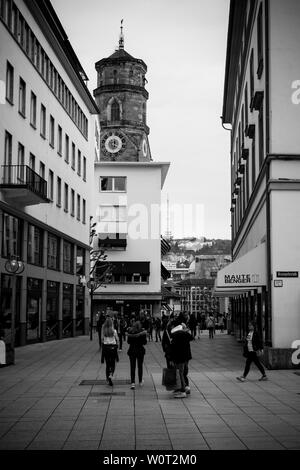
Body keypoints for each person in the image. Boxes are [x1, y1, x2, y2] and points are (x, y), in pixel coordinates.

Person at [169, 318, 193, 398]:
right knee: (183, 372)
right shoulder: (185, 334)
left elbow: (173, 348)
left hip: (179, 357)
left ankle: (182, 391)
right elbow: (191, 337)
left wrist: (171, 358)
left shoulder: (176, 335)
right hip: (186, 356)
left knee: (180, 373)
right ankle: (185, 388)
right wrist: (186, 329)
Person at [127, 321, 147, 389]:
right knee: (140, 366)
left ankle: (133, 382)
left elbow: (128, 342)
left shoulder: (130, 332)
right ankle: (140, 381)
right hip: (140, 351)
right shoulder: (142, 332)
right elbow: (144, 342)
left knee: (132, 367)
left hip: (132, 350)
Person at [101, 317, 119, 386]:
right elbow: (117, 340)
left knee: (107, 364)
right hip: (113, 348)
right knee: (113, 363)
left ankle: (107, 379)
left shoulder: (104, 331)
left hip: (106, 348)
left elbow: (102, 340)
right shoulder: (114, 331)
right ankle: (111, 374)